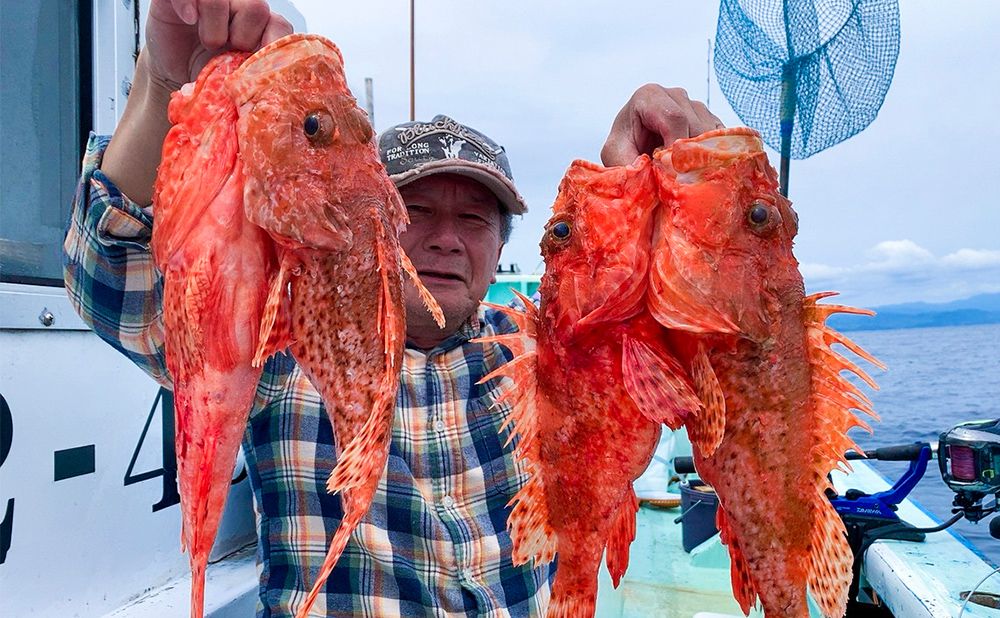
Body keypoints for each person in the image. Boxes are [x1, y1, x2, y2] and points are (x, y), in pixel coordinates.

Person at [63, 1, 723, 616]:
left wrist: (683, 195)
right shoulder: (288, 347)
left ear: (500, 248)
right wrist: (158, 82)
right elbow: (116, 285)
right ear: (376, 221)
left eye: (473, 218)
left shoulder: (545, 359)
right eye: (420, 211)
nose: (445, 237)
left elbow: (701, 356)